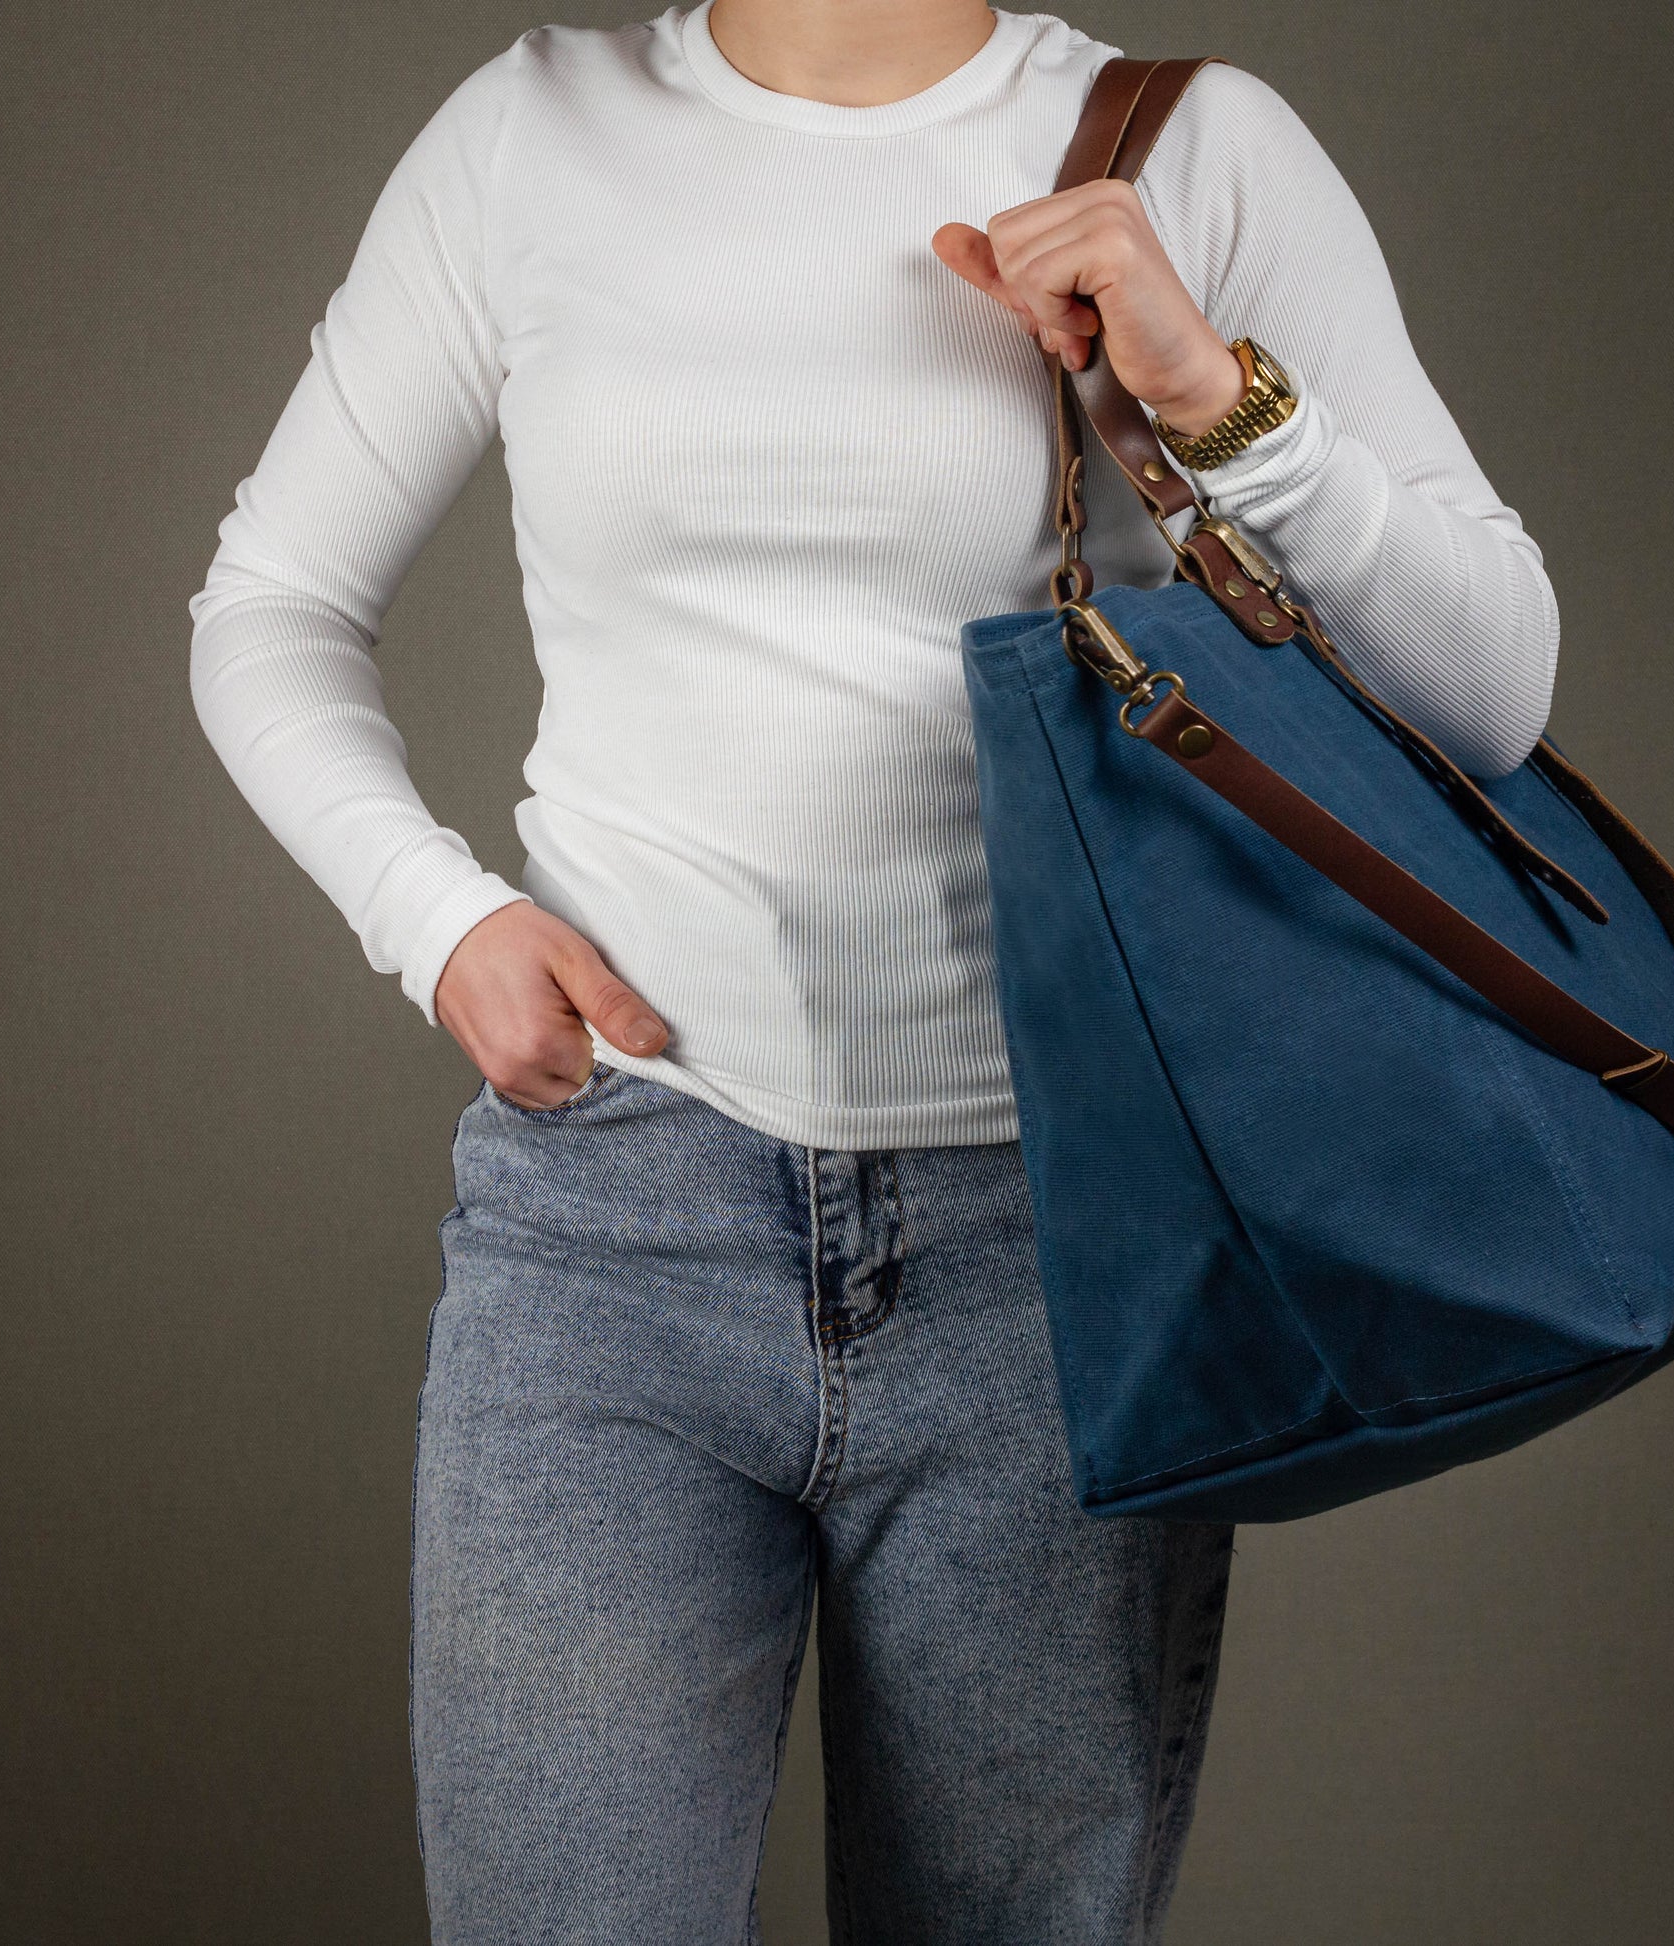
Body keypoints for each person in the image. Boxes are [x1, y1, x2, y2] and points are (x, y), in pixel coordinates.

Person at [188, 2, 1558, 1937]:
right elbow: (271, 604)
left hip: (1062, 1261)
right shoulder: (536, 131)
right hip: (613, 1234)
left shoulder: (1178, 142)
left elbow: (1493, 693)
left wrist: (1211, 392)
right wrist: (439, 920)